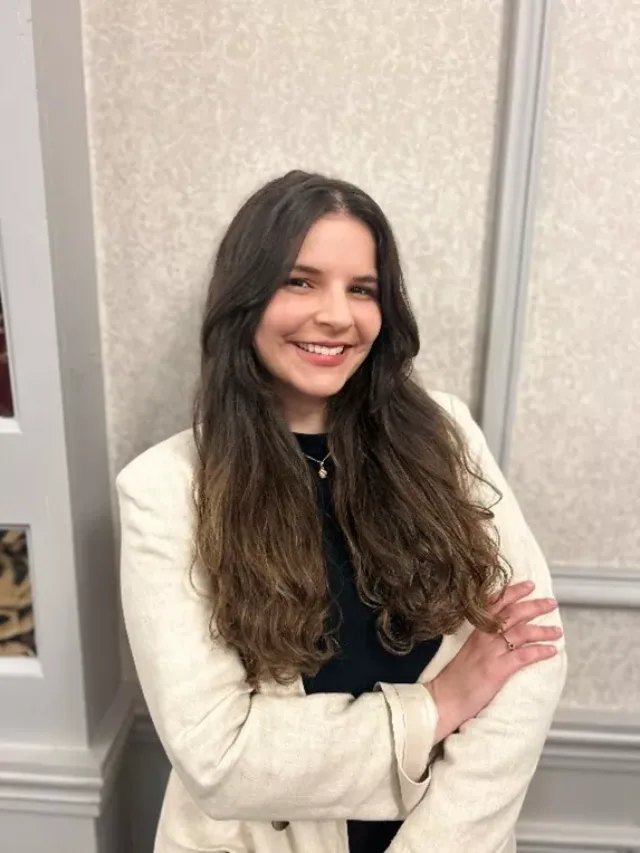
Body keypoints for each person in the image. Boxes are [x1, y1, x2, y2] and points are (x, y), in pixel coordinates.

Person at [118, 170, 567, 853]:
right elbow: (221, 757)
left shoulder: (446, 435)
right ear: (245, 298)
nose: (337, 314)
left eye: (363, 289)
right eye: (300, 281)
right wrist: (438, 705)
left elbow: (531, 655)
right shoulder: (165, 490)